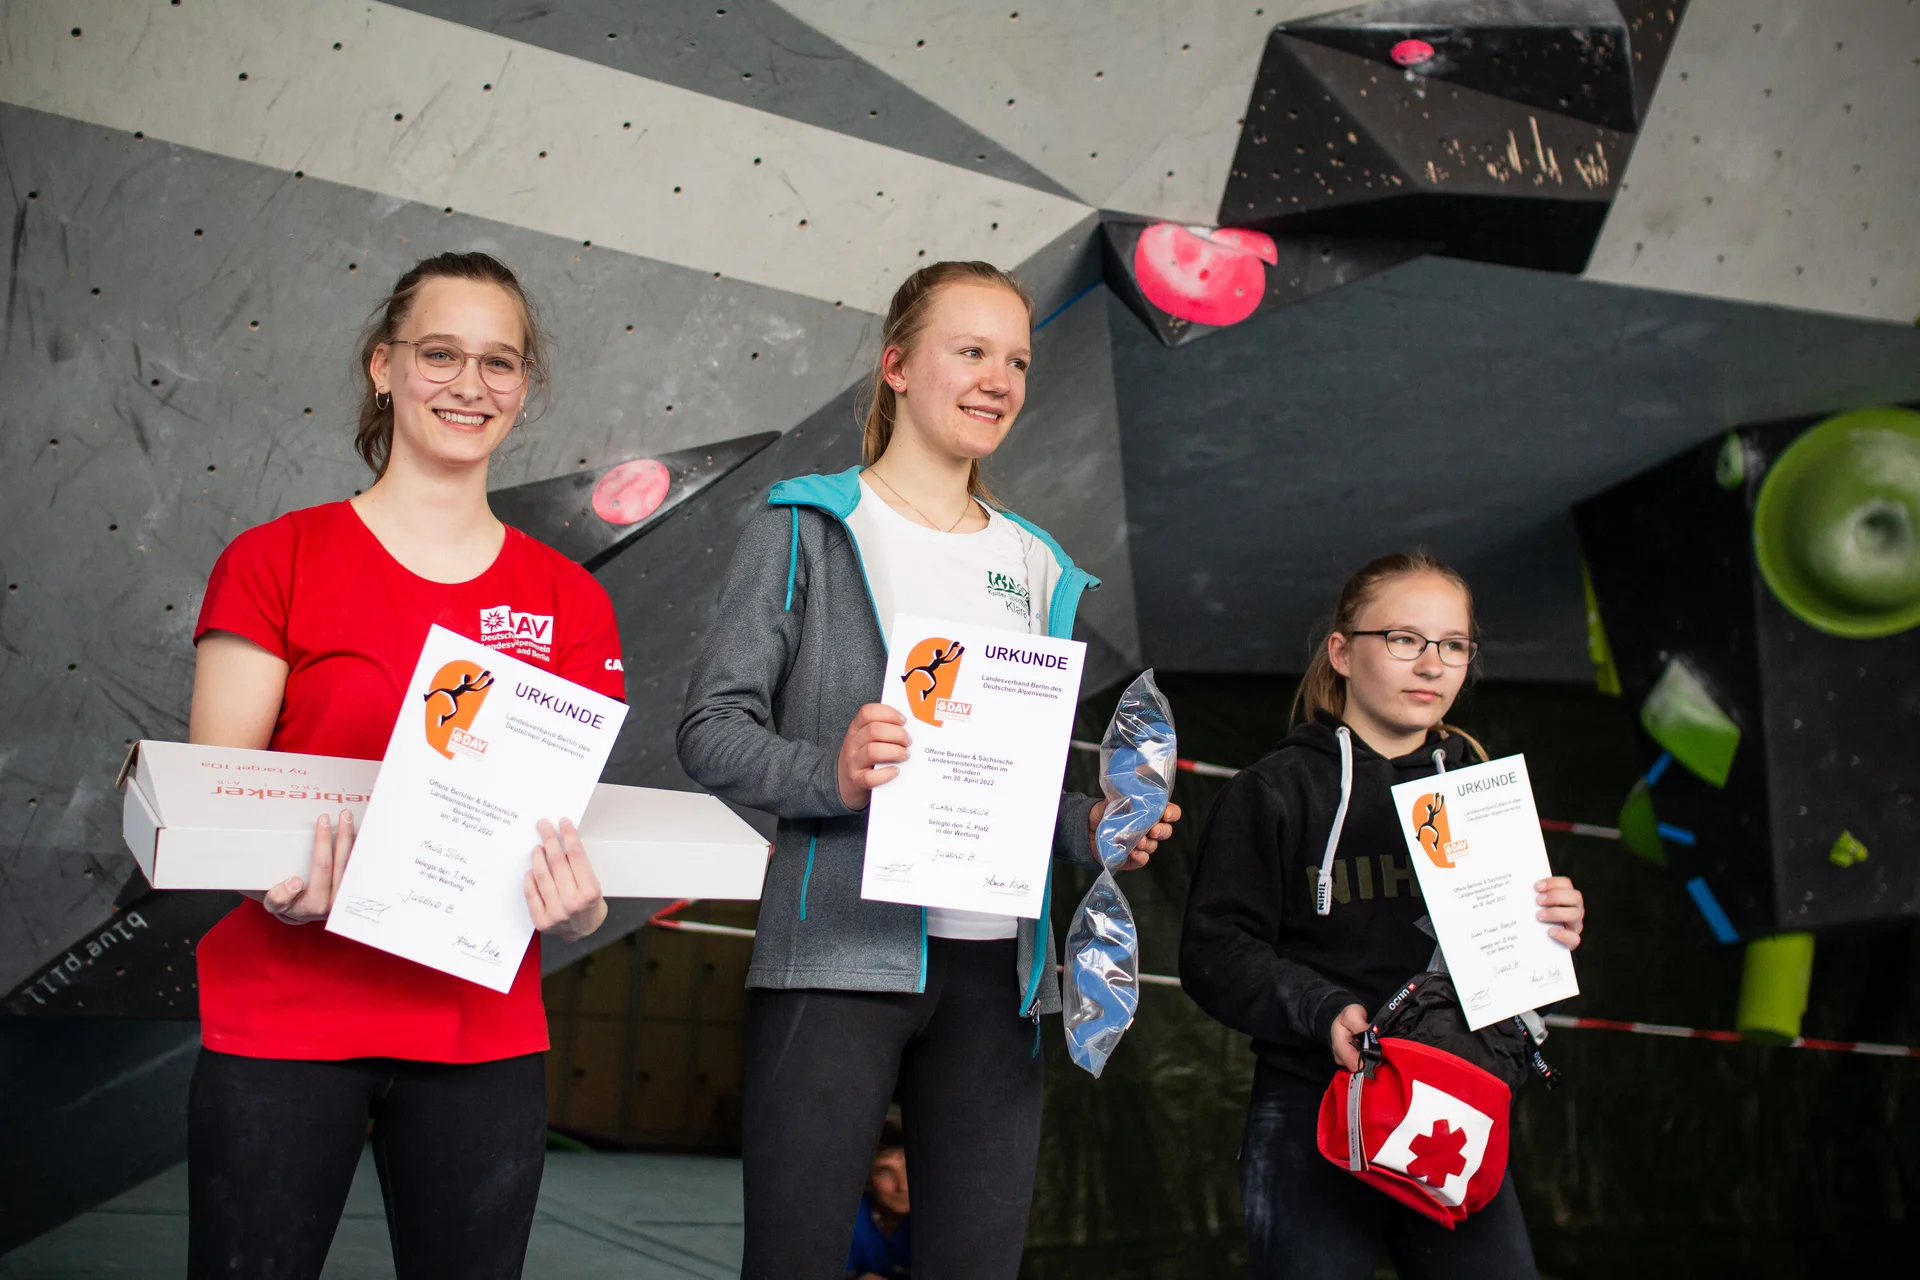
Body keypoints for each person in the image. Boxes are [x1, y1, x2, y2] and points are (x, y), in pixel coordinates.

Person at [678, 260, 1181, 1279]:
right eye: (971, 350)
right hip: (836, 957)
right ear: (898, 364)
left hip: (1000, 978)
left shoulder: (1039, 562)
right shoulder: (808, 523)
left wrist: (1093, 824)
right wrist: (834, 769)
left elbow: (1013, 781)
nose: (999, 377)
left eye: (1018, 360)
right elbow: (709, 728)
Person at [184, 251, 624, 1279]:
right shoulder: (274, 559)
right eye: (440, 353)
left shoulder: (569, 601)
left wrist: (582, 909)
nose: (470, 385)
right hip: (288, 1010)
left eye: (499, 362)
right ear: (384, 366)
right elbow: (216, 801)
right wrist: (277, 887)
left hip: (479, 1029)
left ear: (525, 386)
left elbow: (560, 831)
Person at [1179, 552, 1586, 1280]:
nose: (1431, 664)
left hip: (1454, 1105)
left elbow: (1511, 954)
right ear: (1341, 651)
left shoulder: (1475, 788)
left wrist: (1551, 921)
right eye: (1404, 639)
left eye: (1453, 646)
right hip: (1313, 1105)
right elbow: (1214, 950)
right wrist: (1323, 1010)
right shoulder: (1274, 791)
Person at [847, 1119, 913, 1279]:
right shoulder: (851, 1220)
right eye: (885, 1172)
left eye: (908, 1167)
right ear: (868, 1183)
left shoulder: (937, 1218)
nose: (903, 1186)